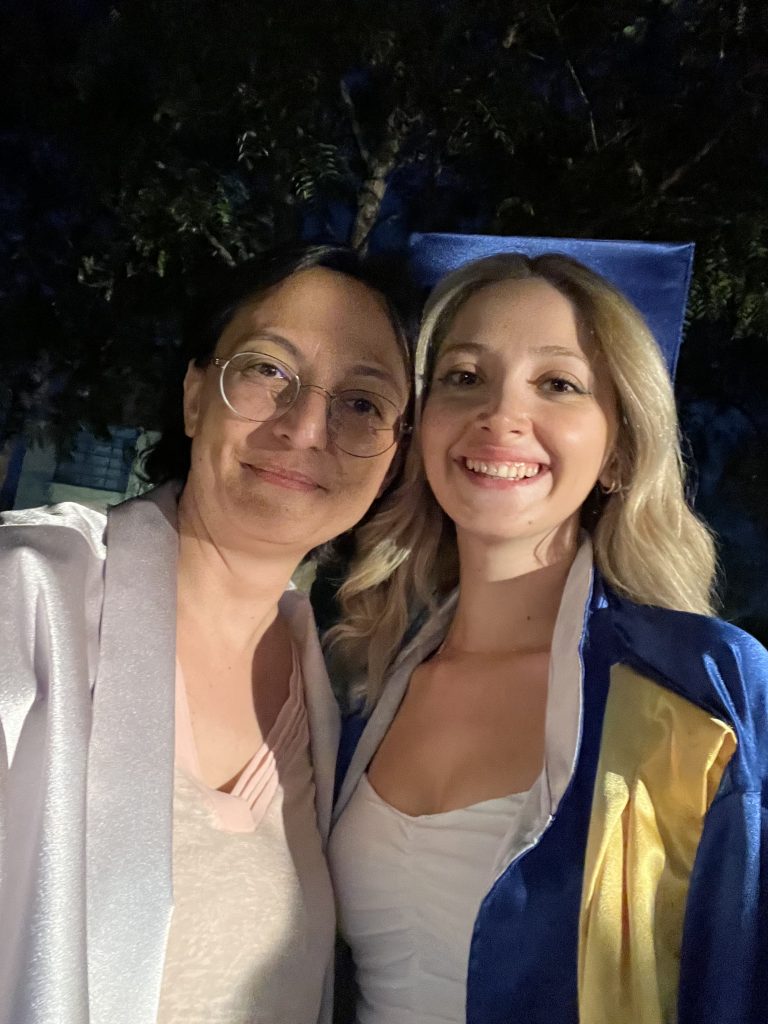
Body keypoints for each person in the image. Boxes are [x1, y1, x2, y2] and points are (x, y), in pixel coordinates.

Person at [327, 252, 768, 1024]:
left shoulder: (700, 690)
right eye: (464, 376)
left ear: (619, 448)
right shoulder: (359, 673)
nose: (500, 414)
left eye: (558, 383)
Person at [0, 245, 412, 1024]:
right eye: (267, 370)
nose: (306, 426)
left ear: (395, 458)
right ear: (195, 398)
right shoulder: (28, 594)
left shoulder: (337, 703)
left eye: (363, 403)